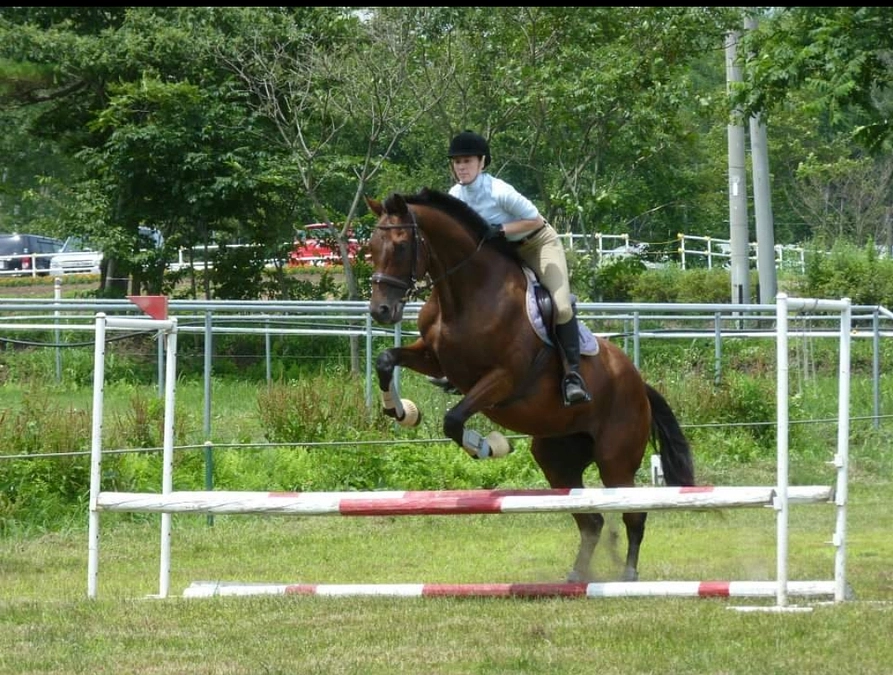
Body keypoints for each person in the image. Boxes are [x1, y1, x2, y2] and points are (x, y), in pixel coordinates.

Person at [445, 130, 591, 406]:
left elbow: (535, 221)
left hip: (537, 245)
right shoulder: (455, 195)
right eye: (457, 162)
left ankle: (573, 375)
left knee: (560, 306)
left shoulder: (499, 191)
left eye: (467, 161)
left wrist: (498, 229)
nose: (461, 167)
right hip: (504, 253)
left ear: (482, 162)